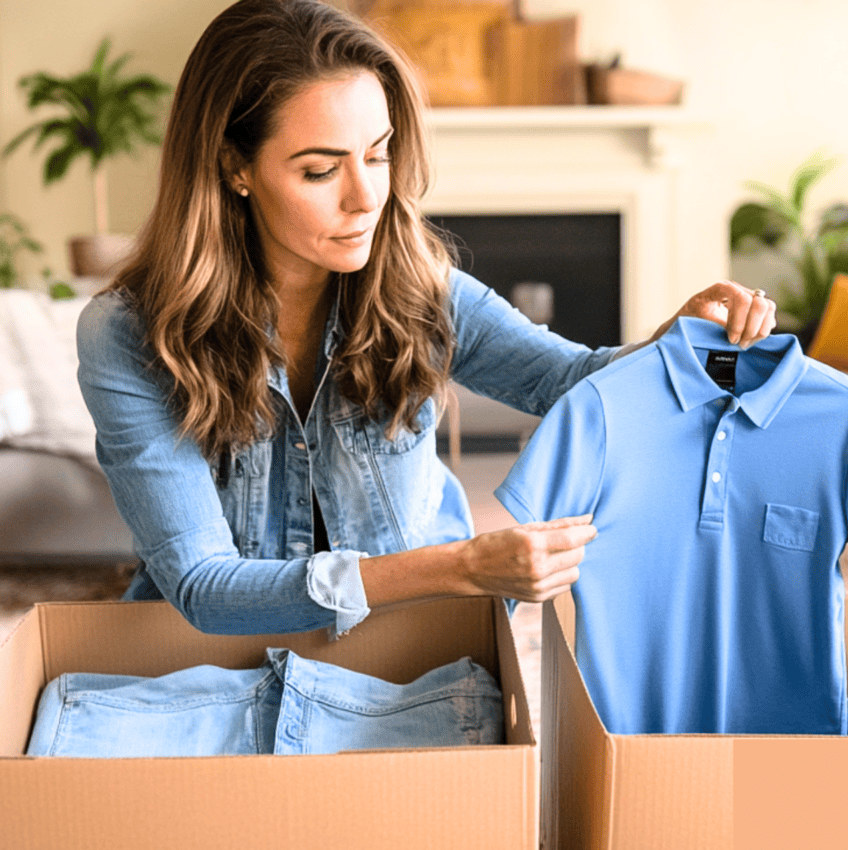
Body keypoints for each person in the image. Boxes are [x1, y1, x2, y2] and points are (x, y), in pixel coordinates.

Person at [77, 0, 776, 638]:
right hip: (213, 654)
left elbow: (569, 380)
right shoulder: (131, 335)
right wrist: (464, 567)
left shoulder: (418, 290)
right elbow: (205, 587)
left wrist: (677, 344)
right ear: (235, 166)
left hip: (409, 645)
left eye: (377, 155)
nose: (366, 197)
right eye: (320, 171)